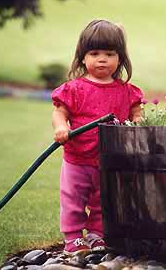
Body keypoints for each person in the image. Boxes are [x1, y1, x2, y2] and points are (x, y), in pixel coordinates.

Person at [51, 19, 143, 255]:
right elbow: (59, 112)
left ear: (120, 58)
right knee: (73, 200)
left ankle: (96, 234)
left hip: (110, 160)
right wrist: (61, 127)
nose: (102, 59)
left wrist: (139, 123)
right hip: (78, 159)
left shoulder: (126, 91)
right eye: (94, 53)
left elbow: (137, 114)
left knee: (105, 201)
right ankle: (73, 237)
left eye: (110, 53)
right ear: (83, 57)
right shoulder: (75, 89)